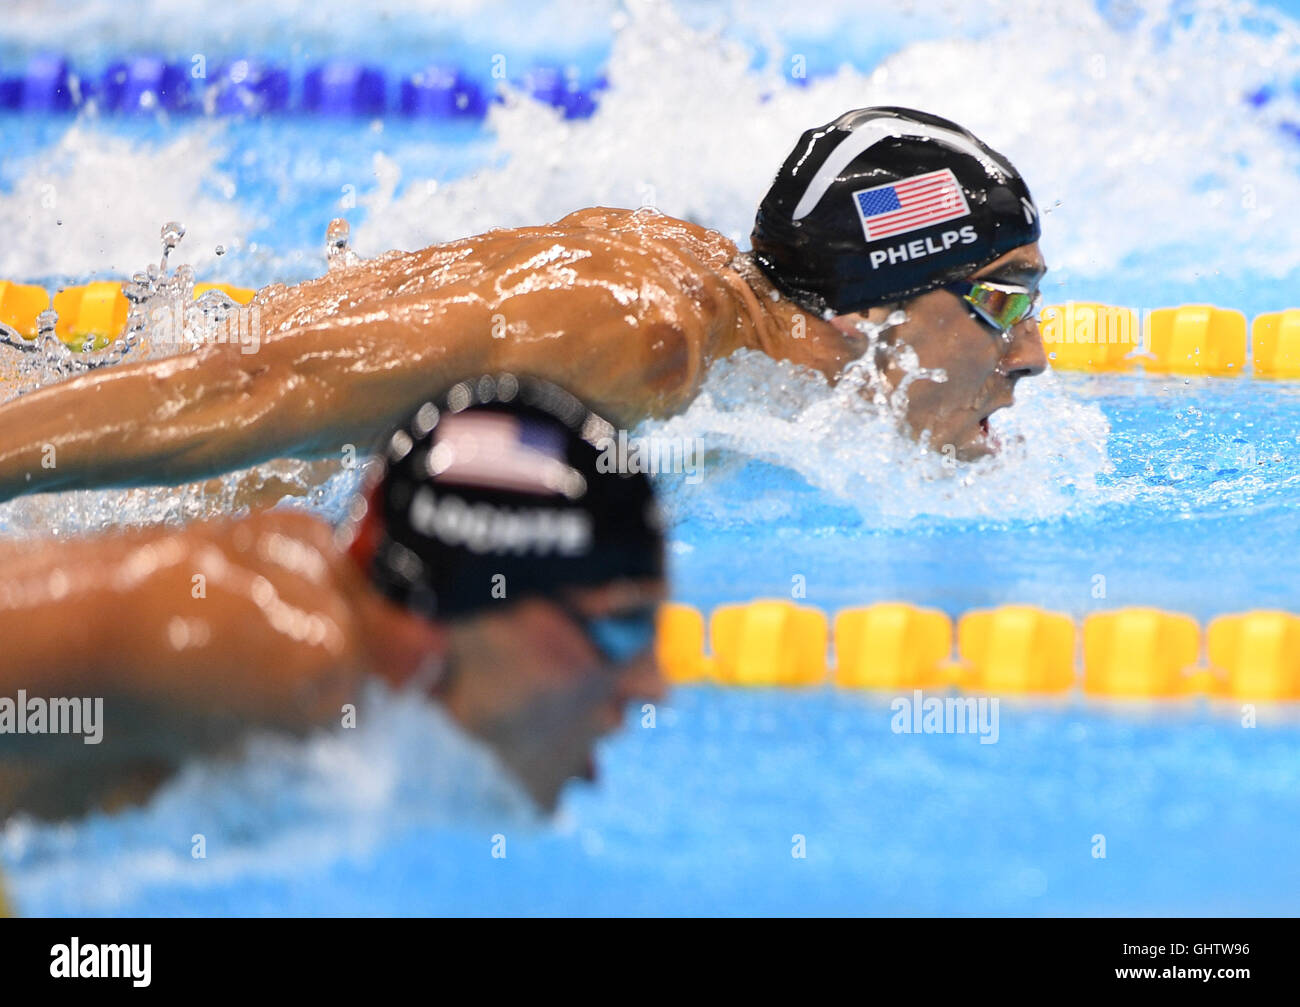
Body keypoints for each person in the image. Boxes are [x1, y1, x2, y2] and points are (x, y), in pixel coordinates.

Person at [0, 107, 1046, 503]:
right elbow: (258, 379)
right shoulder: (640, 335)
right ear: (874, 309)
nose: (1034, 352)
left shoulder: (725, 328)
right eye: (1003, 301)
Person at [0, 374, 666, 823]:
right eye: (623, 627)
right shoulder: (255, 640)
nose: (652, 684)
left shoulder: (361, 705)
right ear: (467, 607)